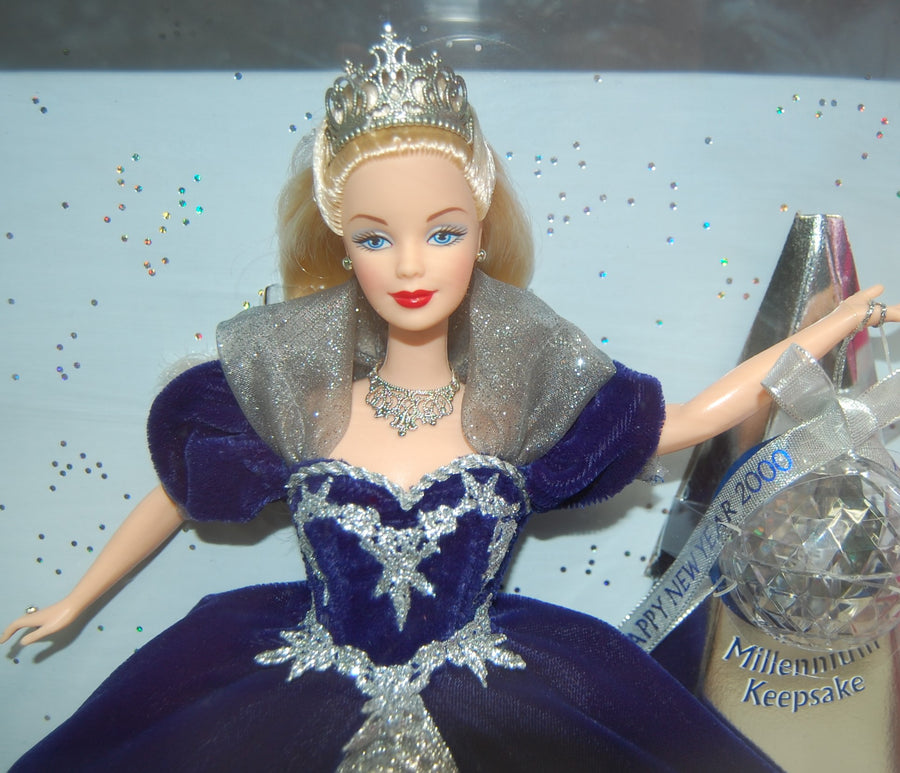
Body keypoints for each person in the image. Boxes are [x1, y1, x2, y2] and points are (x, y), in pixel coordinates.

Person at [3, 28, 897, 772]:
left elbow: (692, 420)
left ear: (480, 231)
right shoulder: (300, 398)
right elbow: (176, 491)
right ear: (341, 243)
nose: (410, 264)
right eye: (373, 238)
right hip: (297, 681)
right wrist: (76, 599)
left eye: (442, 232)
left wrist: (832, 322)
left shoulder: (521, 400)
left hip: (497, 687)